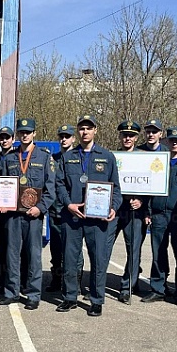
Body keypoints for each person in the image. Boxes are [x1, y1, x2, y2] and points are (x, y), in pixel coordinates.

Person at [55, 115, 121, 316]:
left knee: (98, 260)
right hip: (73, 217)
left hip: (97, 220)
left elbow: (116, 189)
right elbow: (59, 184)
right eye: (82, 129)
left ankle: (96, 300)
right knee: (70, 259)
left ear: (95, 131)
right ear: (78, 132)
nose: (85, 132)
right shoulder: (67, 157)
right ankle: (69, 297)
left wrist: (113, 208)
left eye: (89, 128)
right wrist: (69, 204)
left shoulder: (107, 156)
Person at [0, 117, 56, 310]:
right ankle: (11, 292)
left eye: (28, 132)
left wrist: (40, 207)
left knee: (33, 255)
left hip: (34, 215)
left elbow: (50, 189)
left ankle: (33, 294)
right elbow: (4, 184)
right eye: (21, 132)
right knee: (12, 255)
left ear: (34, 134)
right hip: (13, 216)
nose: (24, 135)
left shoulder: (44, 157)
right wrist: (2, 203)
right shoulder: (9, 158)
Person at [145, 126, 177, 309]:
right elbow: (148, 189)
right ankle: (158, 288)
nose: (175, 143)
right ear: (167, 141)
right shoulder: (157, 162)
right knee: (158, 253)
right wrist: (148, 211)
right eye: (172, 140)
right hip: (158, 214)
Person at [109, 120, 149, 303]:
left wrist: (142, 201)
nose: (128, 138)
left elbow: (152, 185)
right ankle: (98, 284)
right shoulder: (111, 157)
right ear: (120, 136)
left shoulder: (144, 157)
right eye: (124, 135)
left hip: (135, 211)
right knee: (104, 247)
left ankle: (127, 287)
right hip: (114, 209)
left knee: (133, 250)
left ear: (136, 137)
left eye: (131, 135)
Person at [47, 124, 76, 292]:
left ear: (73, 138)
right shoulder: (52, 159)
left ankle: (74, 284)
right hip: (55, 211)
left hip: (72, 213)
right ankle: (56, 280)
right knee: (56, 251)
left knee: (73, 252)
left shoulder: (78, 158)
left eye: (67, 136)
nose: (64, 139)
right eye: (61, 136)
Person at [0, 126, 15, 293]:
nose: (4, 140)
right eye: (2, 137)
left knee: (14, 249)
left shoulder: (17, 158)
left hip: (14, 213)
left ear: (12, 139)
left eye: (7, 137)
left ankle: (17, 281)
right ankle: (0, 281)